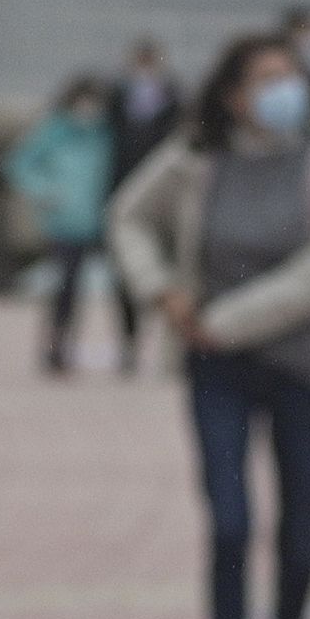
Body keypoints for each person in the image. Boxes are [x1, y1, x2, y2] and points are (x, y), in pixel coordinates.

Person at [108, 33, 310, 619]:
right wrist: (161, 290)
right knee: (229, 522)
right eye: (265, 79)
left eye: (290, 76)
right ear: (232, 95)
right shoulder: (197, 160)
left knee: (299, 532)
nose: (281, 90)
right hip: (217, 371)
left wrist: (222, 321)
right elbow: (129, 219)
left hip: (307, 363)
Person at [2, 78, 116, 375]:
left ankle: (68, 345)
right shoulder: (55, 132)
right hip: (63, 223)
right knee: (64, 288)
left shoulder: (104, 135)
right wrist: (46, 192)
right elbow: (18, 164)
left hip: (95, 221)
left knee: (84, 290)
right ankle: (56, 346)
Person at [105, 39, 182, 371]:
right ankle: (129, 342)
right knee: (125, 276)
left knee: (172, 274)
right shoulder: (116, 97)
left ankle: (171, 346)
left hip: (166, 202)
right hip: (123, 191)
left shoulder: (175, 98)